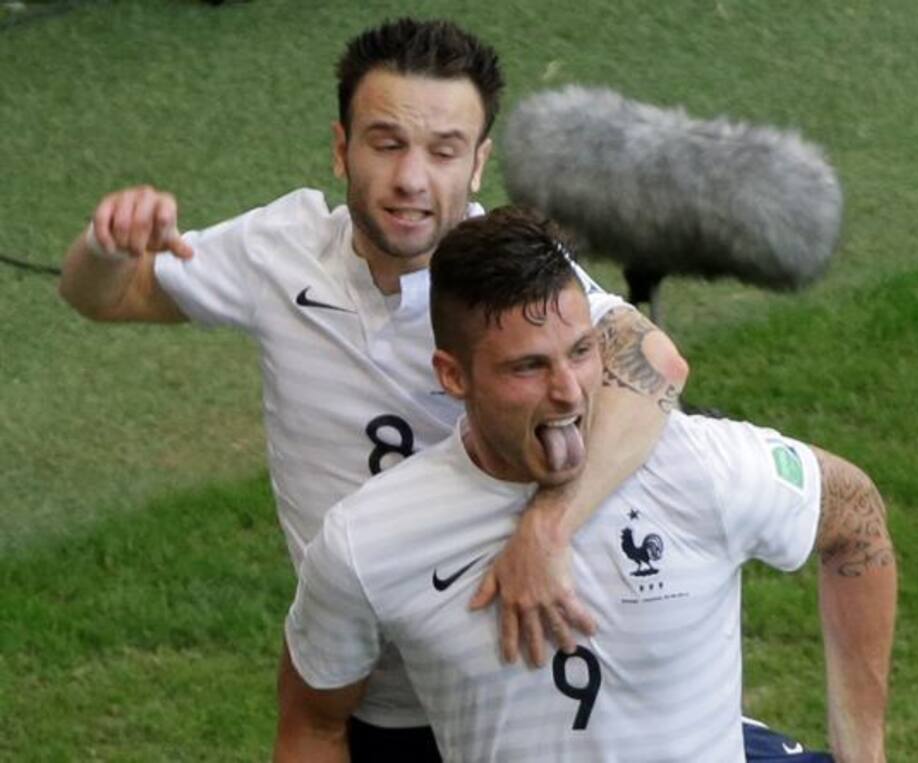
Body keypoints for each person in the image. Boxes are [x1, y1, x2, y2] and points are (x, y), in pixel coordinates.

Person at [57, 18, 688, 760]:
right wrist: (106, 245)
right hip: (368, 692)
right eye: (386, 143)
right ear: (340, 148)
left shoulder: (514, 276)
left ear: (479, 163)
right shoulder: (279, 252)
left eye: (443, 150)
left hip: (521, 679)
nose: (411, 179)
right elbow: (104, 296)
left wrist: (546, 529)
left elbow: (655, 365)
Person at [277, 207, 896, 762]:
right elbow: (312, 724)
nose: (569, 391)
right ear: (453, 376)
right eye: (528, 367)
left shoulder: (699, 469)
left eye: (579, 352)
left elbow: (857, 519)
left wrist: (863, 755)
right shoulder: (369, 541)